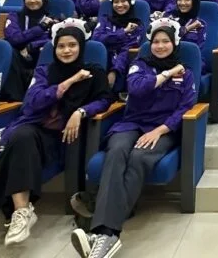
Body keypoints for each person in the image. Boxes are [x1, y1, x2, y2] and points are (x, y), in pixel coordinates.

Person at [0, 20, 110, 258]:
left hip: (62, 138)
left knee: (14, 149)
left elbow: (104, 100)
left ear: (81, 47)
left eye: (72, 45)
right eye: (61, 46)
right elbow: (33, 103)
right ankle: (21, 210)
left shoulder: (94, 72)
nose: (66, 50)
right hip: (32, 127)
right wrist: (69, 82)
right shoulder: (44, 71)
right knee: (22, 136)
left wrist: (80, 112)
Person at [68, 19, 195, 258]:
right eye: (156, 42)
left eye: (165, 41)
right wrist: (167, 73)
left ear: (174, 43)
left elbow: (185, 107)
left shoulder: (186, 73)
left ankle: (102, 230)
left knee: (138, 157)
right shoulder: (140, 65)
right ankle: (107, 234)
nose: (160, 46)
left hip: (162, 129)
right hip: (131, 123)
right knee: (116, 151)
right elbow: (137, 89)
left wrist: (160, 131)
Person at [3, 0, 58, 102]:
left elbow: (53, 41)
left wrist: (31, 46)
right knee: (8, 50)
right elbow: (14, 39)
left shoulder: (53, 20)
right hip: (17, 56)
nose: (32, 1)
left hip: (39, 57)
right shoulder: (14, 16)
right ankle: (14, 101)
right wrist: (41, 27)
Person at [92, 0, 143, 91]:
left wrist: (114, 71)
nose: (119, 5)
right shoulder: (105, 19)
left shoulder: (136, 25)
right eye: (116, 2)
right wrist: (123, 32)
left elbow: (126, 49)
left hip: (122, 65)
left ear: (130, 2)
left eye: (123, 1)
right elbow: (96, 39)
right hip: (102, 61)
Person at [168, 0, 208, 78]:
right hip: (168, 58)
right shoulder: (168, 18)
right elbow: (169, 38)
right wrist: (187, 28)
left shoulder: (200, 24)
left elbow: (197, 50)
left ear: (194, 2)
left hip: (190, 60)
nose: (182, 3)